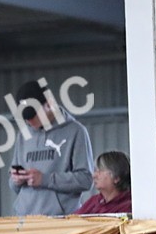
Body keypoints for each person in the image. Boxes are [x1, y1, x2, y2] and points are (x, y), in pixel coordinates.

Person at [9, 79, 94, 217]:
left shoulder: (75, 131)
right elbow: (13, 186)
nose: (28, 121)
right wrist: (16, 180)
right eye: (25, 117)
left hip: (60, 219)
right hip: (25, 219)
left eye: (32, 115)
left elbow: (86, 180)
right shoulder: (23, 136)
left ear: (49, 104)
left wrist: (45, 179)